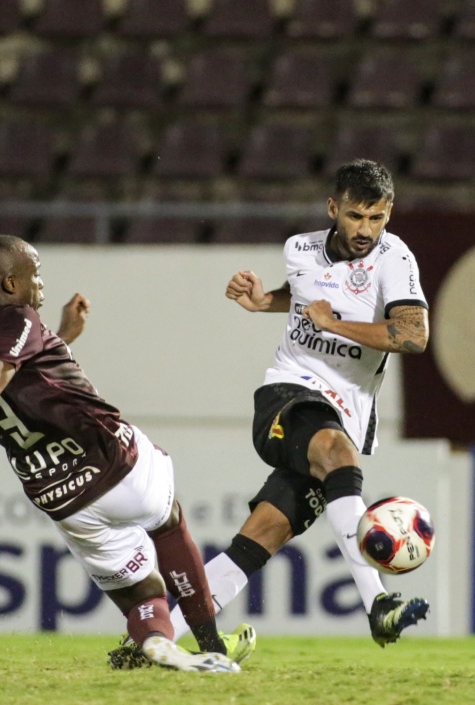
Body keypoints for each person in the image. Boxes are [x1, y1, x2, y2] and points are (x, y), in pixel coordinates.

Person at [114, 159, 431, 662]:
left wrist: (324, 322)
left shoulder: (396, 259)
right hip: (287, 395)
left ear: (388, 213)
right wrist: (266, 301)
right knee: (338, 456)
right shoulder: (299, 248)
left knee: (263, 534)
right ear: (333, 208)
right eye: (354, 217)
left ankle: (149, 645)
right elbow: (310, 297)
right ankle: (377, 602)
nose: (365, 230)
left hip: (344, 413)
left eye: (375, 218)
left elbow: (413, 335)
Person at [0, 235, 251, 673]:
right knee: (168, 520)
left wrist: (59, 338)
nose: (41, 283)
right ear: (9, 283)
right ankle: (213, 642)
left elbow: (18, 377)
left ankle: (155, 643)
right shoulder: (17, 317)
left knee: (142, 594)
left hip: (61, 496)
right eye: (34, 274)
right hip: (113, 464)